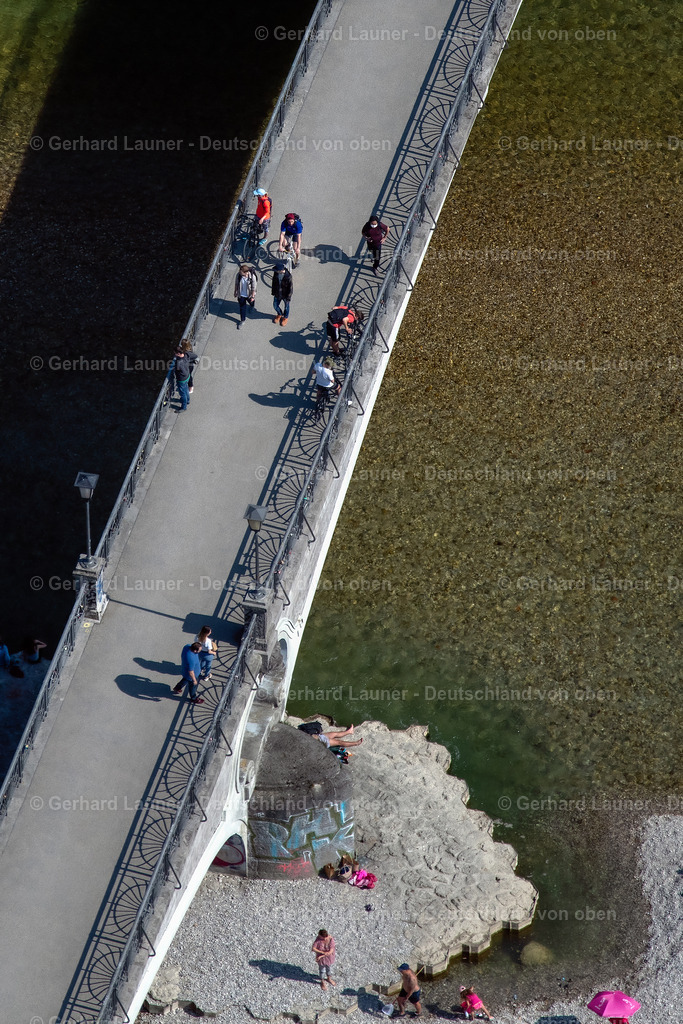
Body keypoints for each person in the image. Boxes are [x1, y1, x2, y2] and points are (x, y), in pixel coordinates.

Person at [167, 346, 197, 411]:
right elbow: (195, 356)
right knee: (186, 390)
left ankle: (184, 407)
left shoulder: (179, 362)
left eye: (175, 353)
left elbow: (180, 371)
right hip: (187, 376)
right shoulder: (187, 355)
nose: (174, 354)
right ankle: (187, 400)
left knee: (182, 393)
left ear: (178, 353)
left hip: (182, 379)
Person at [234, 264, 258, 330]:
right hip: (241, 294)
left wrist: (252, 297)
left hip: (249, 294)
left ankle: (252, 306)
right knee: (242, 308)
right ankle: (242, 320)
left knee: (251, 302)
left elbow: (254, 287)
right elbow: (236, 284)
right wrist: (235, 292)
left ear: (246, 272)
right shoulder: (238, 275)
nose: (240, 273)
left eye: (241, 273)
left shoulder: (252, 277)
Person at [271, 262, 293, 326]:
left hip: (285, 295)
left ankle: (285, 317)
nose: (275, 271)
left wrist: (288, 297)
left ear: (280, 270)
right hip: (277, 293)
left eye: (277, 270)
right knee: (275, 305)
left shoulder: (288, 276)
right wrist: (273, 292)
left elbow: (290, 288)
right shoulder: (276, 273)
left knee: (286, 307)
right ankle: (279, 314)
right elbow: (274, 282)